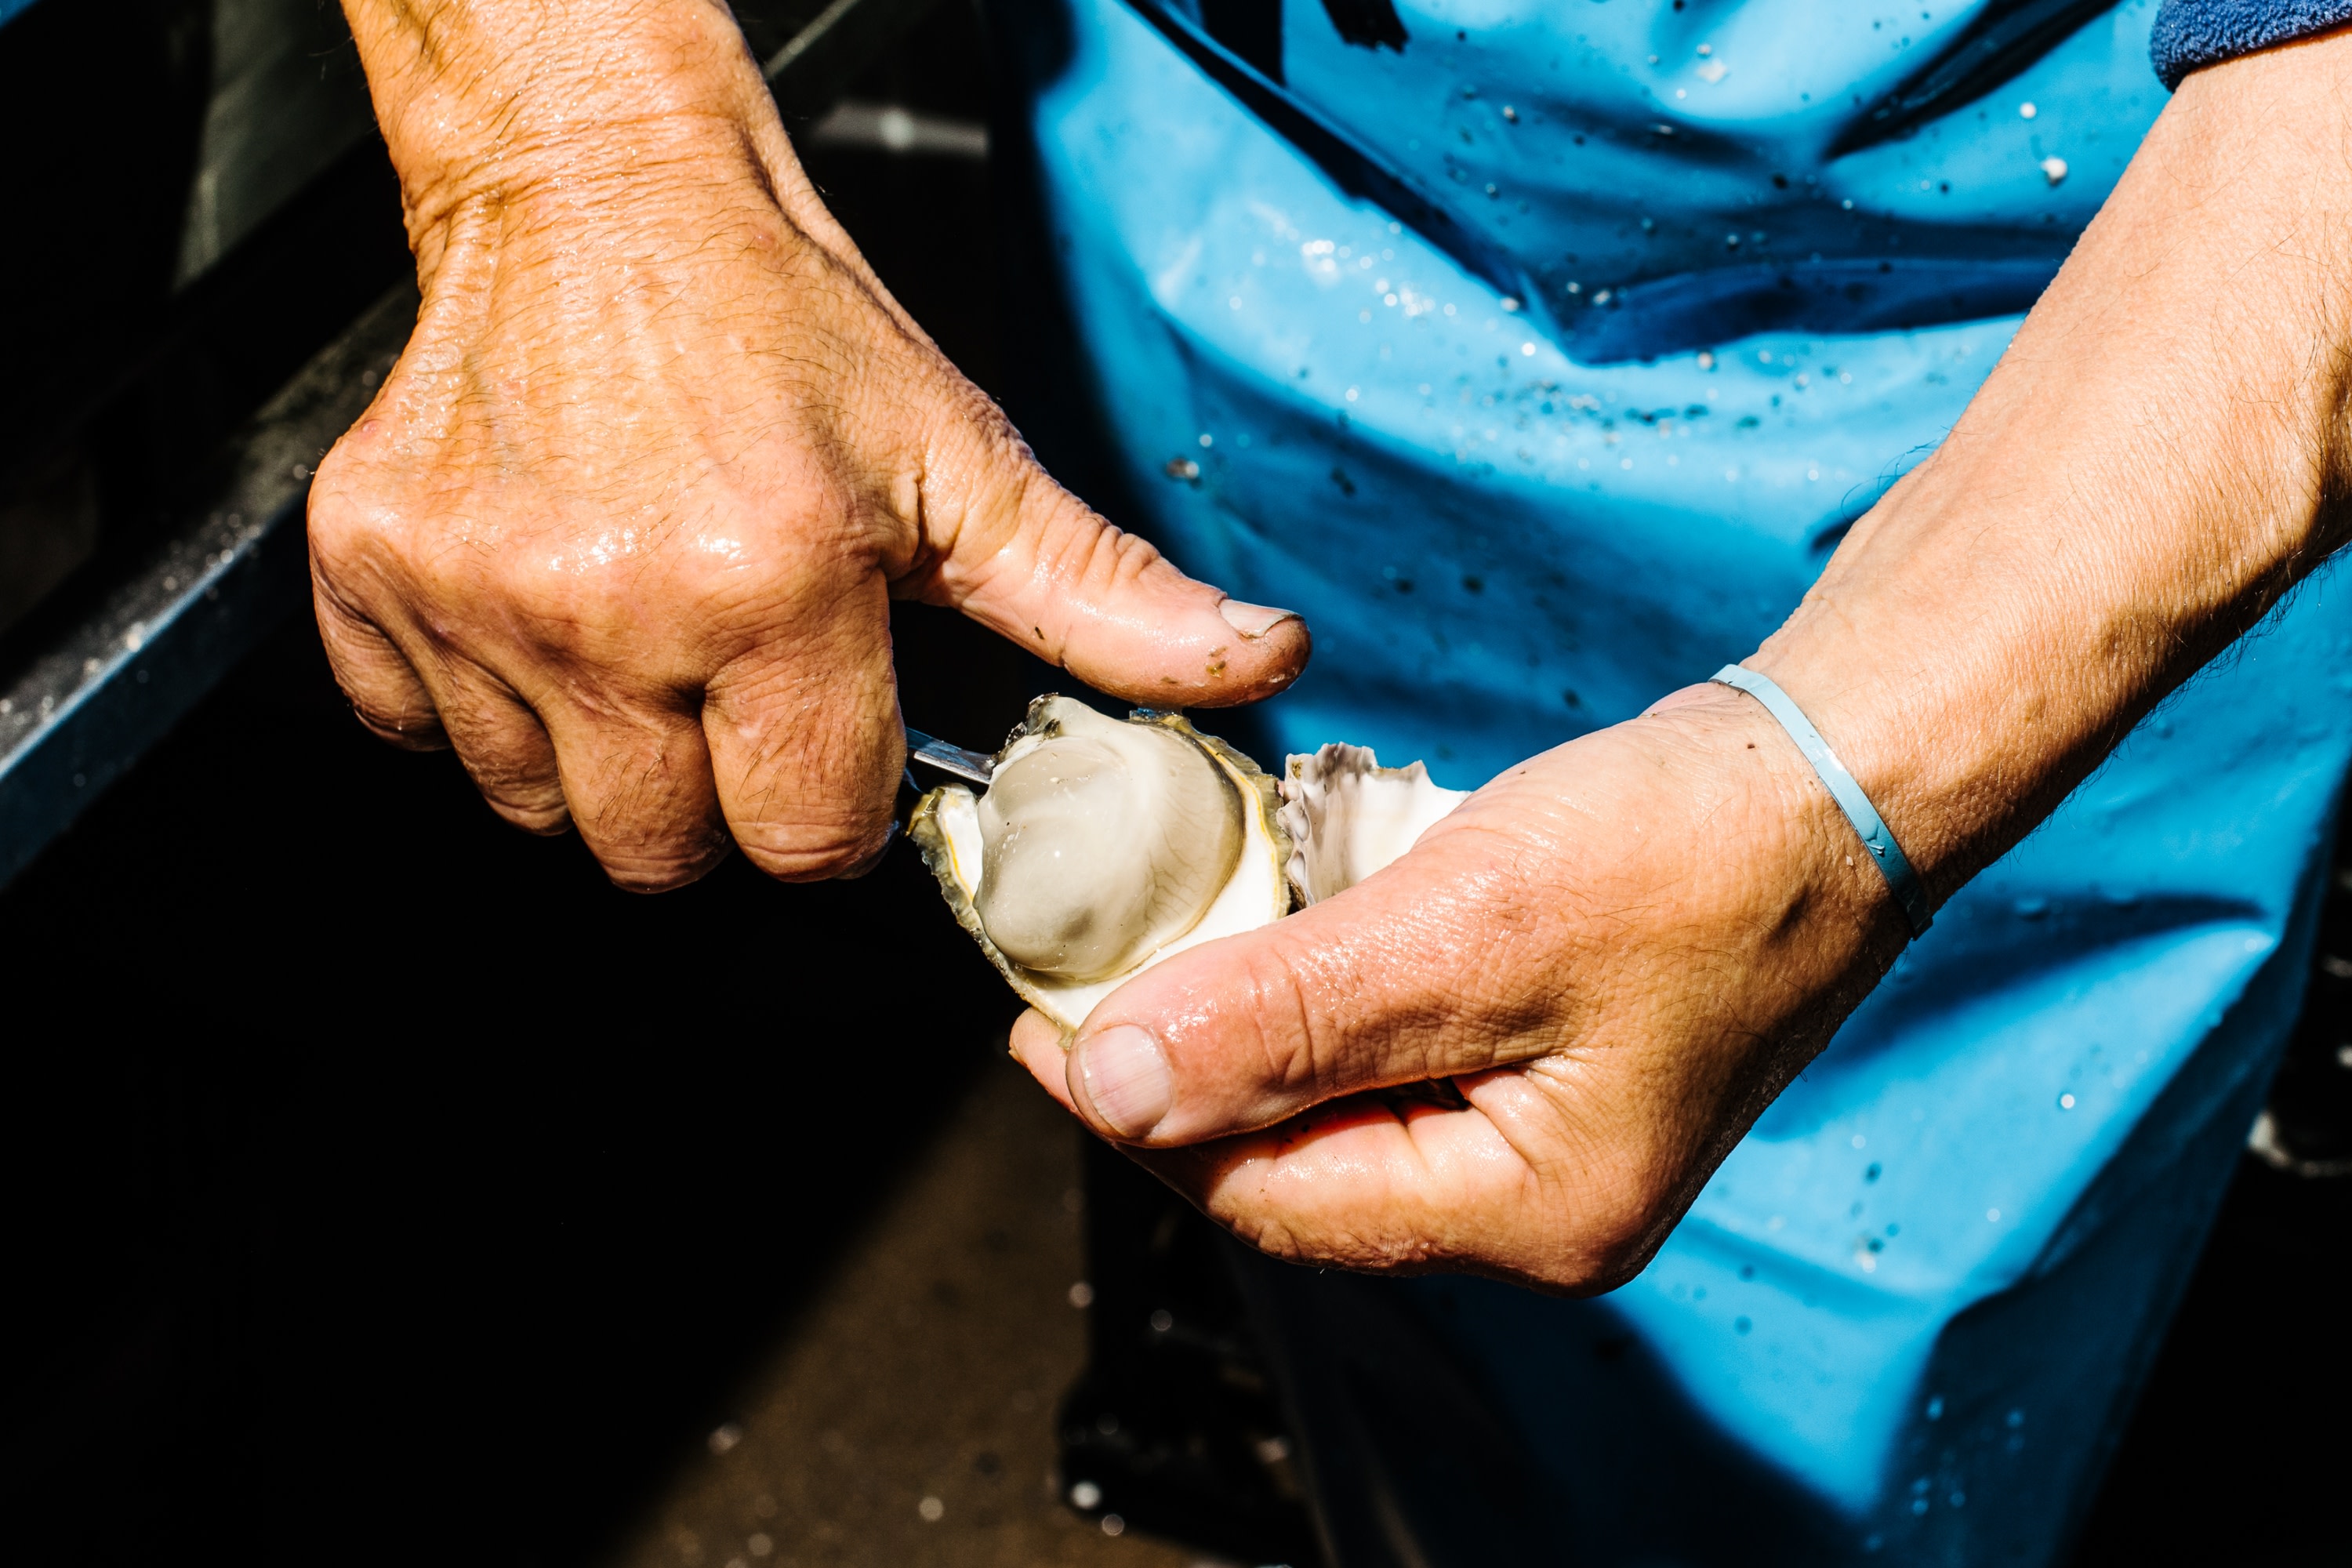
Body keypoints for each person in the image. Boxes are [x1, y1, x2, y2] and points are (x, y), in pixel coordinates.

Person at [315, 0, 2352, 1559]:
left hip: (2101, 320)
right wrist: (572, 140)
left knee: (1858, 1393)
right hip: (1247, 214)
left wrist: (1847, 790)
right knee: (1424, 1323)